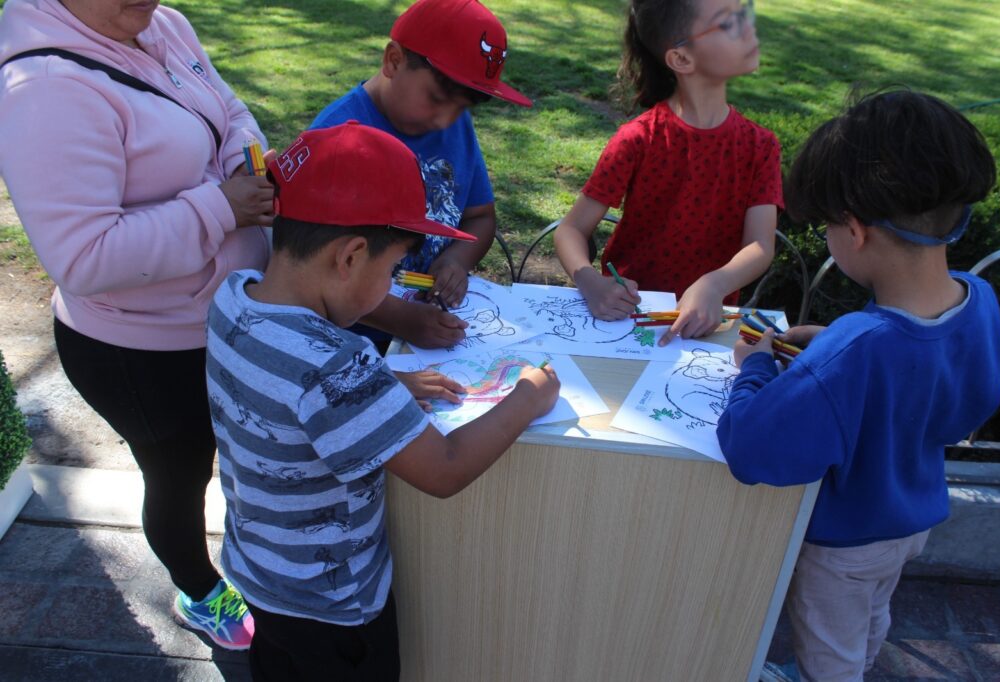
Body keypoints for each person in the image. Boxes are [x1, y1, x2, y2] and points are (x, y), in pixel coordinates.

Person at [206, 121, 560, 680]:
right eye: (392, 271)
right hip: (337, 609)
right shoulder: (340, 366)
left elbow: (287, 394)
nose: (390, 286)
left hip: (258, 575)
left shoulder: (233, 298)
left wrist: (382, 393)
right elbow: (444, 470)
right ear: (349, 257)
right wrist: (527, 398)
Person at [0, 0, 274, 650]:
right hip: (140, 349)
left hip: (219, 318)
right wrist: (219, 207)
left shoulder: (159, 22)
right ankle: (199, 589)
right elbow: (86, 257)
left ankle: (256, 567)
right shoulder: (42, 89)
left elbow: (228, 110)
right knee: (179, 476)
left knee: (236, 458)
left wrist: (248, 162)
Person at [716, 90, 1000, 681]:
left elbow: (750, 448)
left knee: (831, 655)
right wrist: (837, 352)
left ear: (853, 229)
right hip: (913, 520)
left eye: (825, 224)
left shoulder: (858, 347)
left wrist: (754, 364)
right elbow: (962, 401)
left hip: (844, 544)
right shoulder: (979, 301)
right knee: (873, 617)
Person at [309, 0, 532, 352]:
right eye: (437, 99)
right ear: (393, 60)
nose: (446, 120)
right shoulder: (337, 138)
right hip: (350, 347)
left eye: (463, 108)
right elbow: (312, 269)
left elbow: (480, 218)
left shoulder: (456, 125)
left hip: (426, 337)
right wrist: (400, 319)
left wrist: (456, 260)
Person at [554, 0, 781, 342]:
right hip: (628, 321)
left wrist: (714, 284)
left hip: (707, 327)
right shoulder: (638, 139)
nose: (747, 28)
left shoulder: (760, 146)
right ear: (681, 58)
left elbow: (760, 245)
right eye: (725, 23)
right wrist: (589, 281)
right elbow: (571, 229)